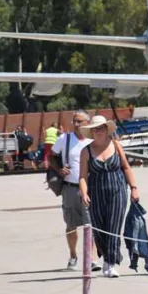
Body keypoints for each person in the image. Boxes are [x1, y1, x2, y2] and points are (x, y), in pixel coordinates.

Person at [79, 115, 139, 279]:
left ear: (107, 130)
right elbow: (83, 176)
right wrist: (83, 193)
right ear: (92, 131)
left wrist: (134, 188)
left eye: (102, 128)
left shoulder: (116, 145)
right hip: (96, 192)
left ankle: (110, 263)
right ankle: (107, 255)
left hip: (117, 190)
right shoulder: (86, 151)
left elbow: (126, 167)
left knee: (113, 226)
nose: (99, 131)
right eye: (96, 129)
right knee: (99, 227)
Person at [49, 111, 94, 271]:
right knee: (71, 224)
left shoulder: (93, 140)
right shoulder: (64, 139)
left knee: (91, 225)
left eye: (80, 121)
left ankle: (91, 258)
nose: (77, 124)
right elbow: (51, 156)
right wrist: (60, 168)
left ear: (88, 122)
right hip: (70, 188)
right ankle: (73, 255)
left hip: (90, 189)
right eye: (75, 121)